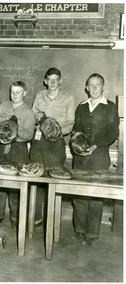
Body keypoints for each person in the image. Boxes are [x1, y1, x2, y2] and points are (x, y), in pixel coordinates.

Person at [71, 73, 119, 246]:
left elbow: (113, 133)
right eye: (91, 85)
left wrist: (95, 145)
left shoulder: (110, 107)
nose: (94, 88)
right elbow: (77, 129)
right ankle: (79, 230)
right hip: (80, 157)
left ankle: (91, 234)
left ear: (103, 87)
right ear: (86, 87)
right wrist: (77, 144)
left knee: (95, 195)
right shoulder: (81, 107)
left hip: (99, 156)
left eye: (97, 85)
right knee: (79, 193)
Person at [0, 81, 36, 229]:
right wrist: (6, 120)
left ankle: (16, 218)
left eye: (18, 92)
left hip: (18, 148)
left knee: (16, 186)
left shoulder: (28, 112)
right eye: (12, 92)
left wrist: (15, 128)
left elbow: (29, 135)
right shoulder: (5, 105)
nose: (14, 95)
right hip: (1, 147)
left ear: (24, 93)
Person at [30, 67, 75, 227]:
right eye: (50, 79)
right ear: (45, 81)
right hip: (38, 142)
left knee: (54, 180)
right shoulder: (39, 96)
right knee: (36, 178)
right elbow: (33, 117)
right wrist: (38, 121)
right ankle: (35, 219)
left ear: (60, 81)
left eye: (56, 79)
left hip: (56, 144)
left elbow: (70, 124)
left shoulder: (68, 98)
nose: (53, 82)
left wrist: (55, 132)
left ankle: (51, 221)